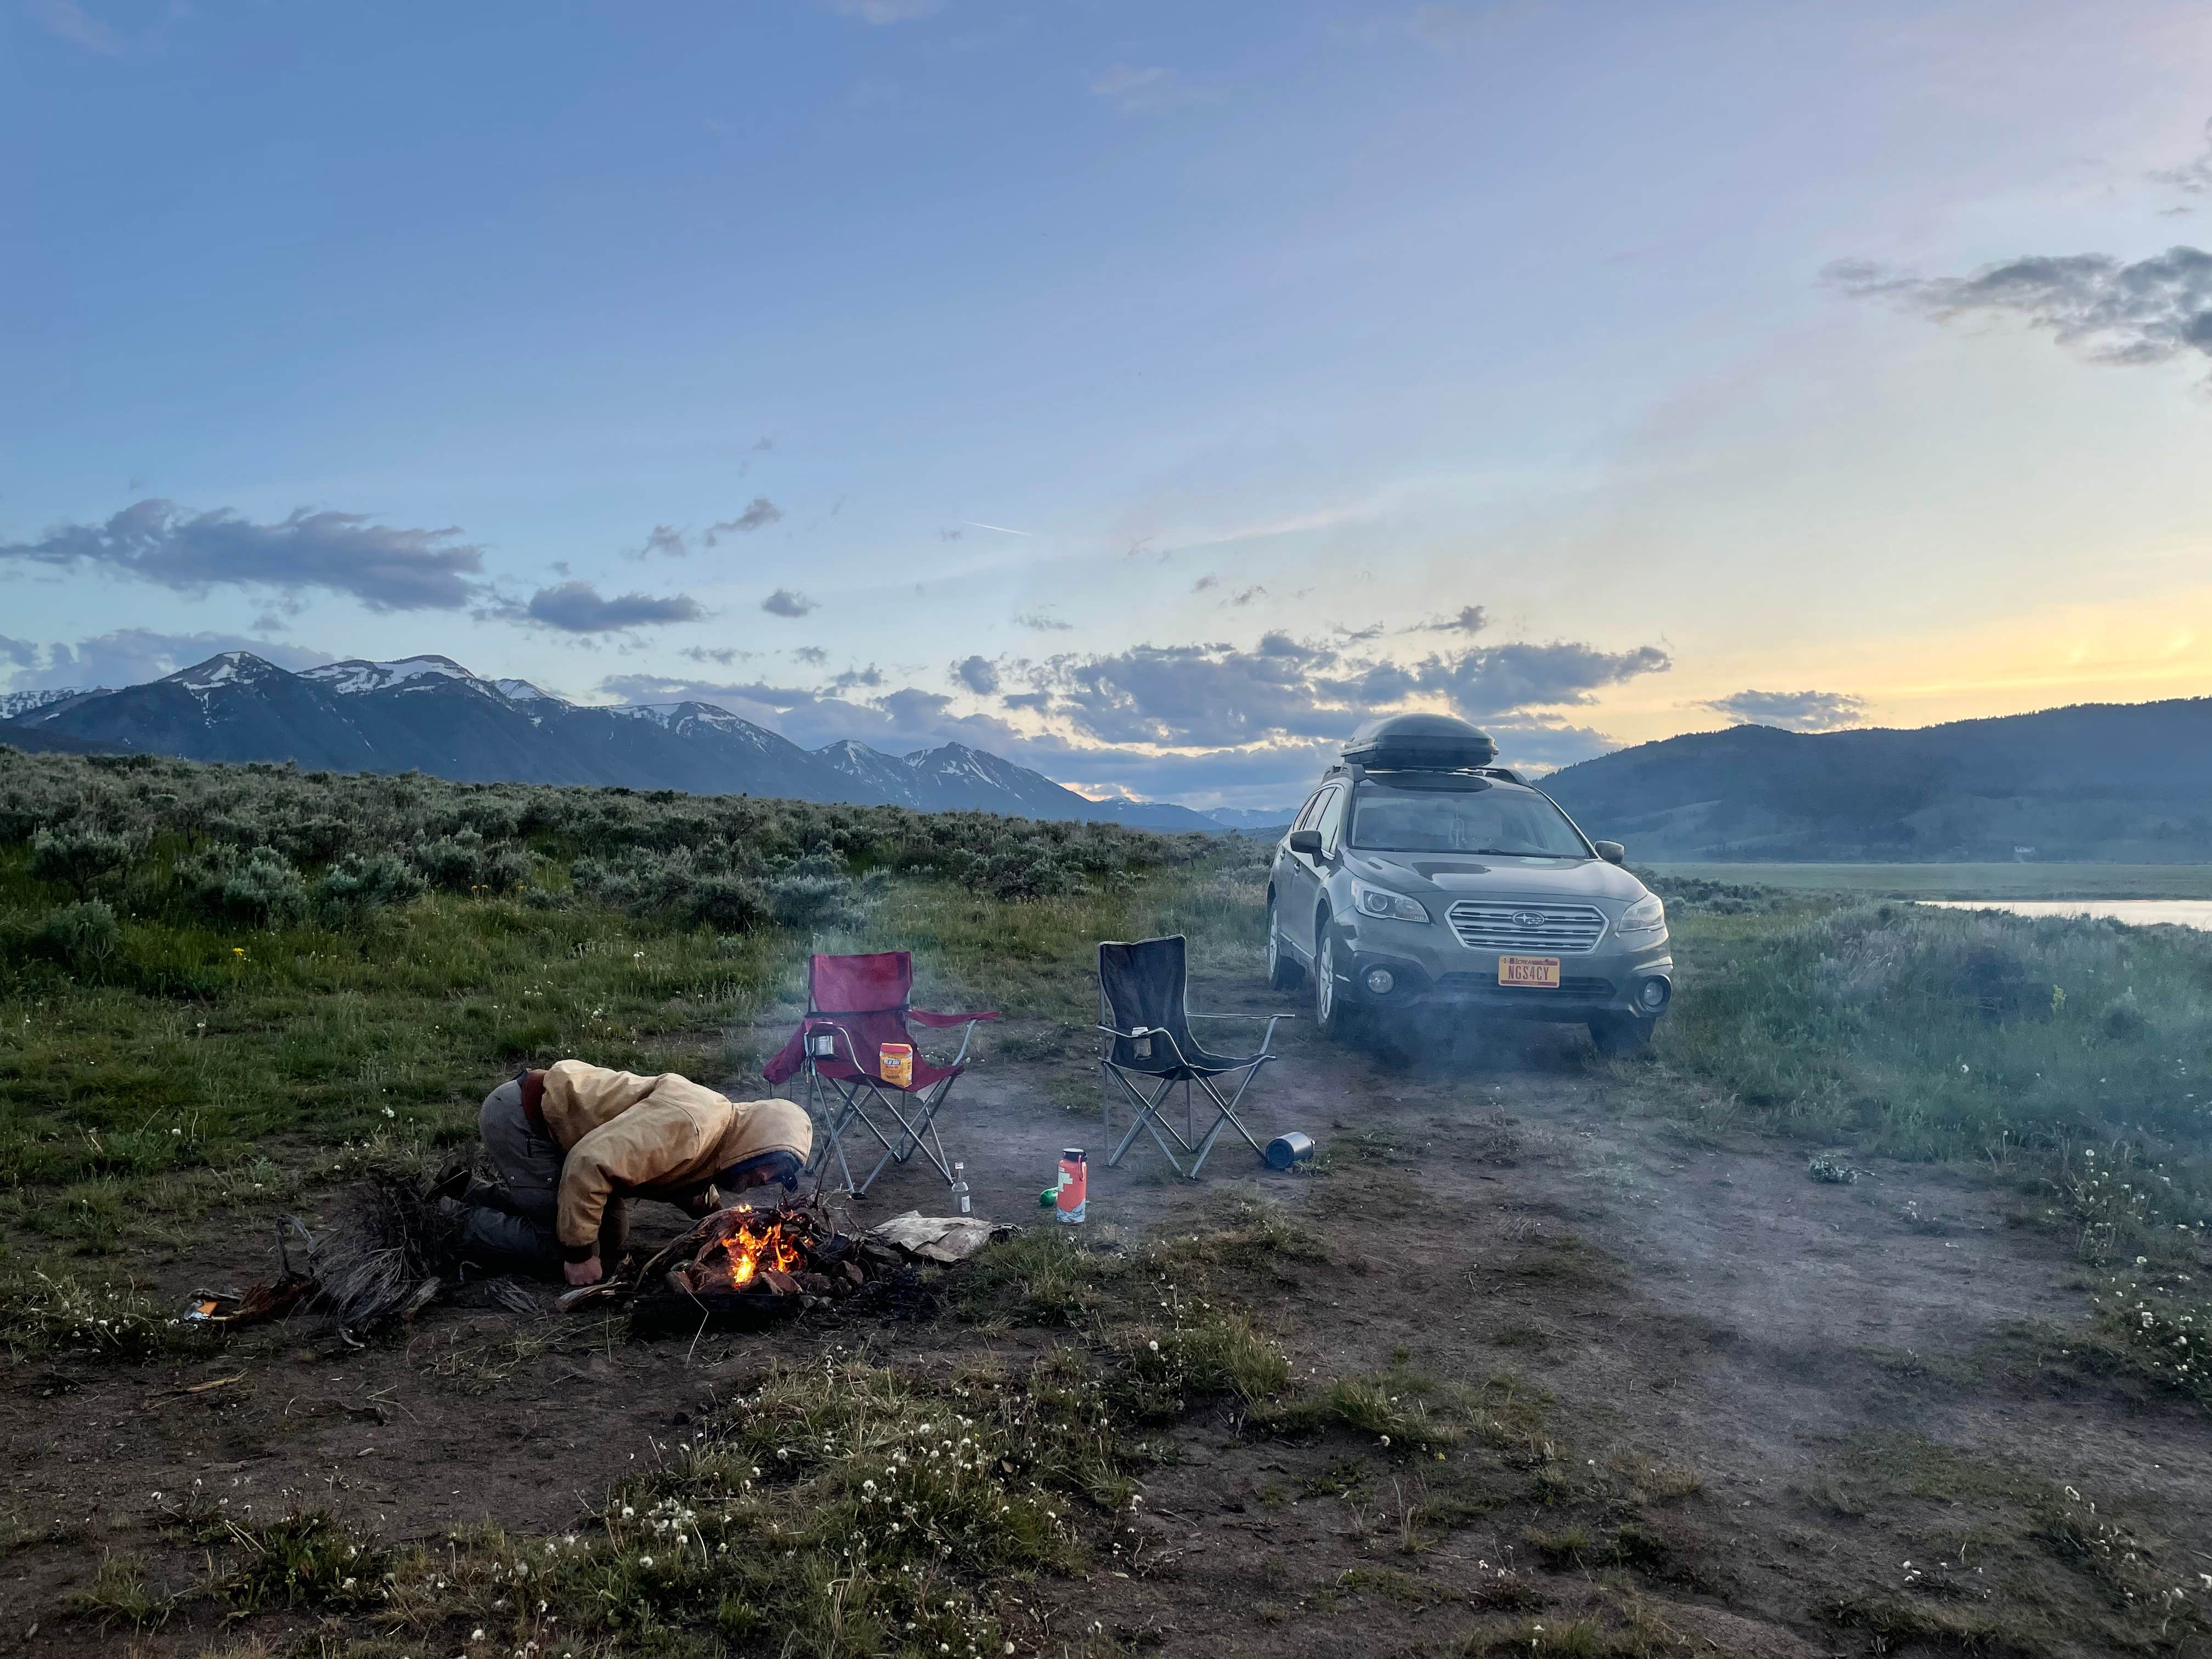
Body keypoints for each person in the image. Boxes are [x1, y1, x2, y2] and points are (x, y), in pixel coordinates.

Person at [441, 1060, 813, 1284]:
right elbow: (588, 1164)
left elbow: (682, 1176)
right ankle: (447, 1222)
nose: (767, 1180)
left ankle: (468, 1190)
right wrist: (577, 1256)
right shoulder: (692, 1126)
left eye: (780, 1176)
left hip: (565, 1137)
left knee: (608, 1239)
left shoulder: (720, 1136)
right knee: (560, 1247)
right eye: (772, 1166)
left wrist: (717, 1218)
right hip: (526, 1122)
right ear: (759, 1140)